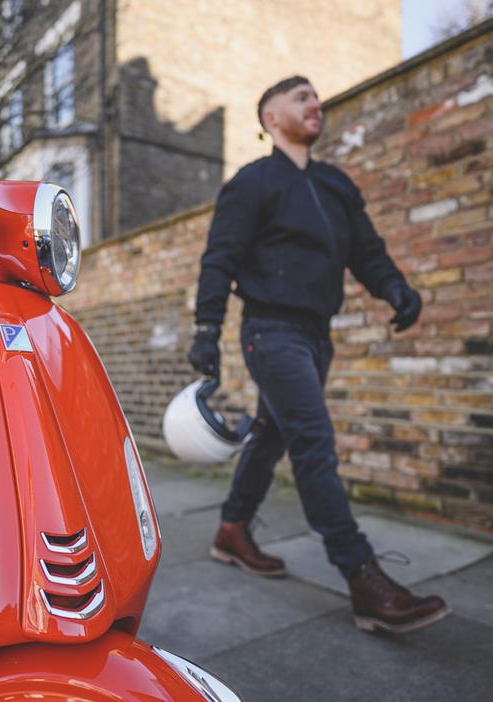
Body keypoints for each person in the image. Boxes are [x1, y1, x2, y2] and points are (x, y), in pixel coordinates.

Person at [188, 75, 449, 634]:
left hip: (316, 334)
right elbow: (220, 257)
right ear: (271, 116)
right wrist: (207, 328)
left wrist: (396, 288)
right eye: (301, 97)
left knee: (273, 433)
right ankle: (362, 578)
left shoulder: (335, 184)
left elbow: (367, 250)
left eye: (316, 98)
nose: (315, 105)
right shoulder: (254, 182)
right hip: (270, 330)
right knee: (312, 438)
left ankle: (232, 530)